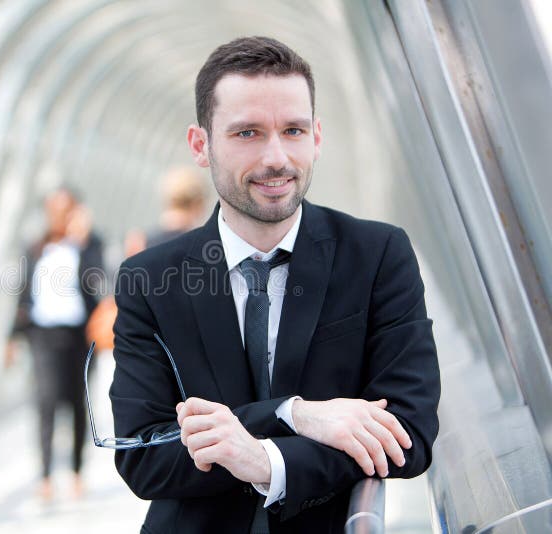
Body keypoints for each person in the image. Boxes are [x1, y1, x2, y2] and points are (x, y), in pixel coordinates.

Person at [109, 36, 440, 533]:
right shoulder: (150, 279)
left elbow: (408, 435)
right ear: (201, 145)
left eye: (293, 130)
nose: (276, 158)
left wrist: (268, 463)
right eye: (247, 133)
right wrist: (294, 415)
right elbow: (143, 454)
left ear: (317, 136)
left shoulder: (376, 256)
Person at [10, 186, 104, 502]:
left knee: (77, 404)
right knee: (47, 401)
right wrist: (11, 336)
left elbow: (98, 280)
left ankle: (77, 471)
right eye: (55, 208)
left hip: (79, 334)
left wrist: (82, 242)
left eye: (67, 208)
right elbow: (23, 294)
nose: (60, 215)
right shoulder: (36, 248)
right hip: (42, 334)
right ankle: (46, 476)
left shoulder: (89, 245)